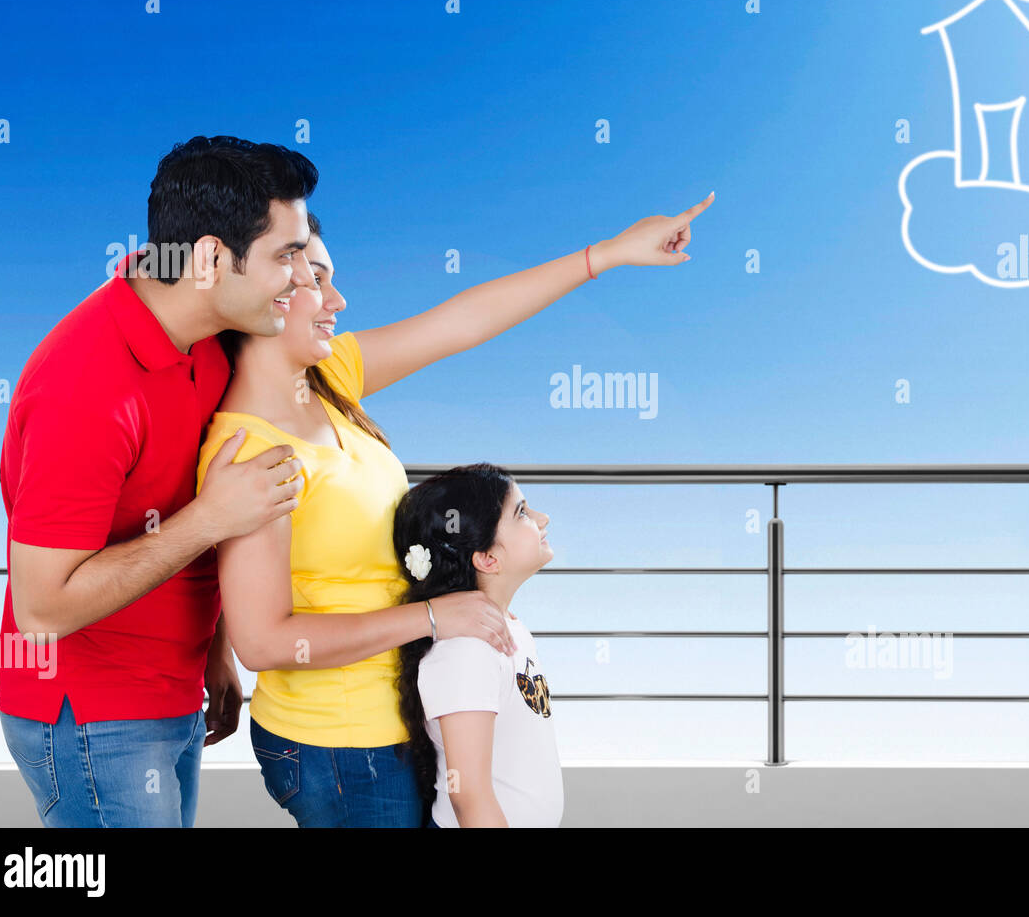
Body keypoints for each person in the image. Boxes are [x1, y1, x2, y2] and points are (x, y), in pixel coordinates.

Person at [196, 191, 714, 827]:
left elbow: (463, 321)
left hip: (392, 720)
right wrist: (432, 616)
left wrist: (608, 254)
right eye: (318, 281)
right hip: (340, 742)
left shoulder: (332, 380)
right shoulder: (254, 454)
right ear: (268, 291)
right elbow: (265, 641)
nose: (337, 301)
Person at [0, 135, 322, 827]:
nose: (302, 278)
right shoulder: (84, 385)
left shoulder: (204, 328)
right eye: (285, 255)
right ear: (209, 259)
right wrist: (211, 519)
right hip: (91, 717)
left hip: (168, 691)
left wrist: (215, 648)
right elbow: (43, 610)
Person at [393, 465, 560, 827]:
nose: (542, 519)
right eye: (522, 512)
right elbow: (468, 796)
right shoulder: (466, 652)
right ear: (487, 558)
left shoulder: (509, 627)